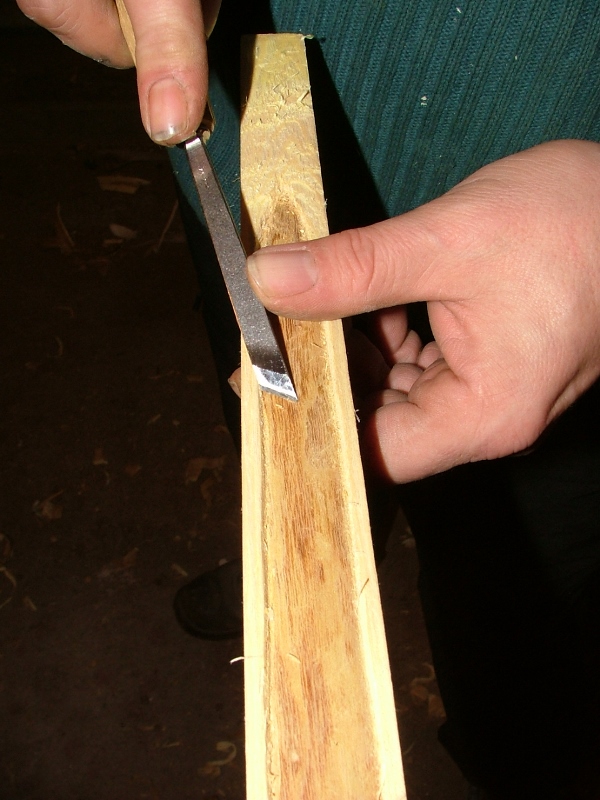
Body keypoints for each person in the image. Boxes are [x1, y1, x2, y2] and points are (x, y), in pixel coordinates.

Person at [17, 1, 600, 798]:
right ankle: (280, 566)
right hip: (247, 136)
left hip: (566, 246)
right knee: (280, 438)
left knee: (519, 611)